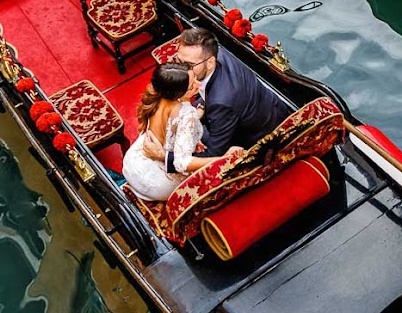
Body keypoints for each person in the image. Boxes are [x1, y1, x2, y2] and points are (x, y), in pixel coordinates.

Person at [143, 27, 290, 169]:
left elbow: (213, 154)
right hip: (261, 106)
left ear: (210, 62)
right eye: (179, 61)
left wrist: (163, 156)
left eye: (188, 65)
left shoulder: (221, 102)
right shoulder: (214, 55)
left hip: (257, 136)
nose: (182, 71)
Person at [121, 64, 239, 201]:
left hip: (132, 165)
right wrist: (223, 159)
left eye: (196, 78)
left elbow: (171, 123)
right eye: (192, 86)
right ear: (178, 94)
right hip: (156, 185)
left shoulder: (157, 95)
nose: (198, 84)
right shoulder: (186, 114)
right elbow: (182, 163)